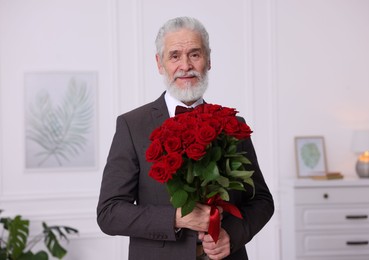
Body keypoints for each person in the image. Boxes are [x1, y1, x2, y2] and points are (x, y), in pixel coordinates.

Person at [97, 16, 274, 260]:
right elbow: (109, 213)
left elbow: (262, 201)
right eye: (174, 56)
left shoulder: (233, 125)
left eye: (194, 54)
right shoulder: (131, 125)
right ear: (160, 63)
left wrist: (231, 236)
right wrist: (176, 218)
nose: (185, 65)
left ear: (208, 60)